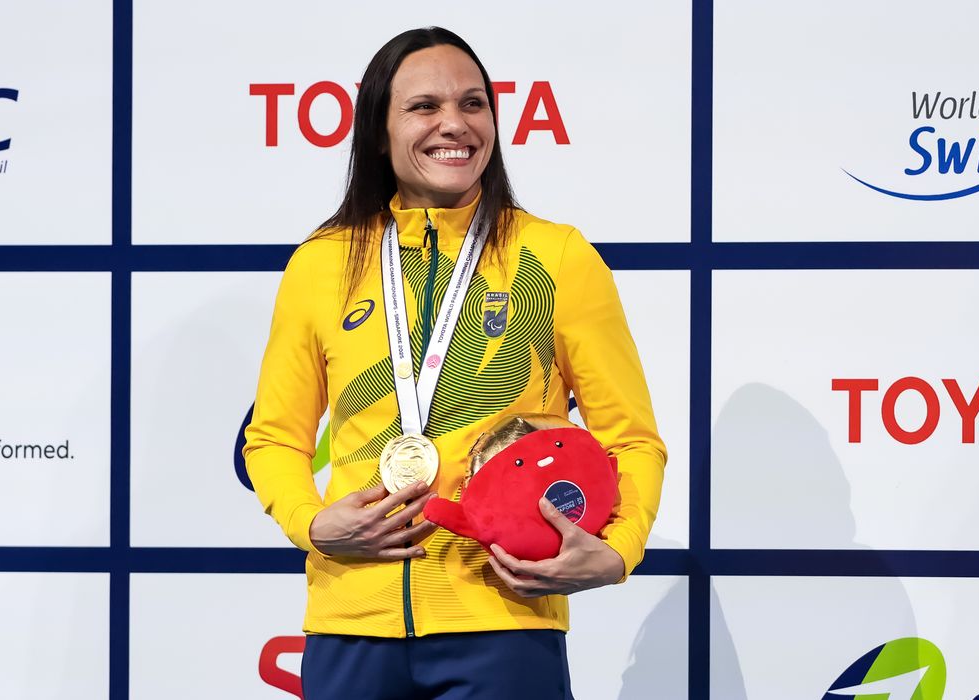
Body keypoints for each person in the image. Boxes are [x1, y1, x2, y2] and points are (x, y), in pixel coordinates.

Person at [244, 26, 666, 700]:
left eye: (474, 104)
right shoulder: (320, 264)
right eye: (424, 106)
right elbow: (272, 439)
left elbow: (632, 438)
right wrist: (311, 523)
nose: (455, 124)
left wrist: (617, 550)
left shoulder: (557, 256)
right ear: (379, 132)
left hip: (503, 619)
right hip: (351, 623)